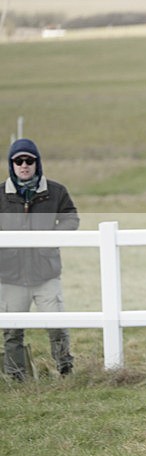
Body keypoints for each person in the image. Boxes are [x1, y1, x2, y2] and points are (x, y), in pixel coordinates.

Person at [1, 138, 79, 381]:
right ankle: (16, 377)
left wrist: (51, 238)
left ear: (37, 163)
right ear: (11, 164)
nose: (24, 165)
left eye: (29, 160)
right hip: (10, 275)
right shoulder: (1, 194)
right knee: (12, 331)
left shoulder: (55, 192)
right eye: (18, 160)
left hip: (45, 274)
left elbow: (71, 218)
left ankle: (66, 370)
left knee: (57, 326)